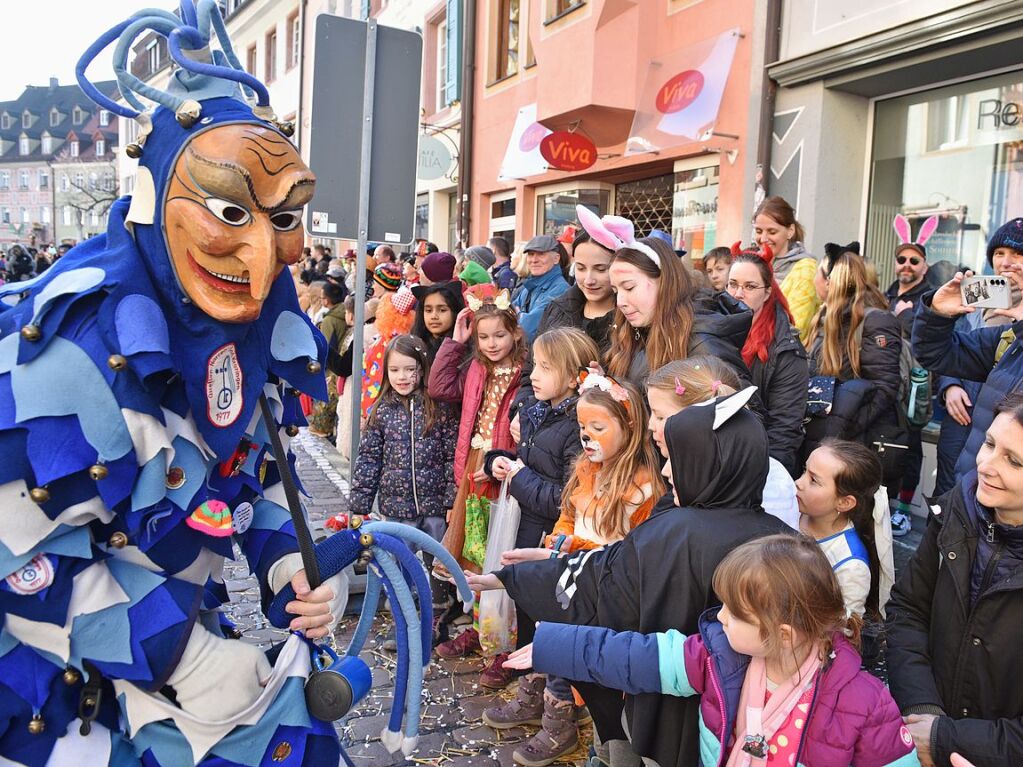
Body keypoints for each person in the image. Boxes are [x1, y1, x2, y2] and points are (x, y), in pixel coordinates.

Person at [468, 390, 793, 767]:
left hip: (670, 721)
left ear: (708, 463)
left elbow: (604, 581)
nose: (667, 472)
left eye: (675, 459)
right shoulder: (784, 541)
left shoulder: (675, 533)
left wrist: (521, 579)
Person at [510, 535, 919, 767]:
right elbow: (637, 656)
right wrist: (556, 645)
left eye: (734, 613)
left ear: (784, 633)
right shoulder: (718, 656)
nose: (718, 619)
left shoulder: (864, 703)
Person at [887, 392, 1023, 767]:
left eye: (1014, 461)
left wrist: (946, 739)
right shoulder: (956, 510)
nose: (986, 465)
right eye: (990, 443)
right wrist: (923, 711)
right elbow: (908, 609)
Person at [428, 285, 526, 687]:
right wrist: (456, 342)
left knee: (497, 549)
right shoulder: (475, 368)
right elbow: (438, 387)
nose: (491, 344)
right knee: (473, 547)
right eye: (483, 337)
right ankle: (480, 627)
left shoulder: (524, 375)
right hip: (472, 465)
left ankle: (501, 642)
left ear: (515, 334)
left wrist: (498, 458)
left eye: (498, 336)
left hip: (499, 469)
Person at [911, 216, 1023, 491]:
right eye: (1000, 253)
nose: (1007, 262)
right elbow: (942, 352)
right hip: (967, 427)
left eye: (1018, 254)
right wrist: (937, 313)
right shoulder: (982, 300)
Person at [581, 208, 751, 389]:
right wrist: (607, 385)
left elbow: (744, 410)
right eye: (616, 290)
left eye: (629, 287)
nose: (620, 301)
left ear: (664, 282)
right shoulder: (633, 330)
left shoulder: (702, 343)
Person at [646, 356, 800, 530]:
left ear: (696, 418)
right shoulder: (688, 467)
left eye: (660, 417)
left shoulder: (769, 483)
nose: (650, 425)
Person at [349, 334, 458, 575]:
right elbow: (368, 460)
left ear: (422, 368)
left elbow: (451, 456)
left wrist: (452, 499)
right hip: (397, 508)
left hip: (435, 505)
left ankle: (439, 605)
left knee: (439, 562)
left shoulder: (437, 408)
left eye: (410, 369)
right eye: (395, 369)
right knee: (399, 564)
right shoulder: (381, 411)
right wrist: (360, 505)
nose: (402, 377)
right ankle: (401, 604)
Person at [802, 245, 903, 462]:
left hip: (854, 449)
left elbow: (885, 388)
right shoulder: (823, 319)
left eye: (817, 274)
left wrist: (841, 428)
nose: (813, 280)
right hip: (823, 440)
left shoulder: (875, 321)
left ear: (829, 280)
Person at [727, 242, 808, 476]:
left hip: (758, 469)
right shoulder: (712, 329)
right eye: (732, 284)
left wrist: (762, 481)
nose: (738, 294)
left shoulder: (785, 350)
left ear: (767, 292)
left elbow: (784, 431)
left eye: (750, 286)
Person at [796, 439, 889, 620]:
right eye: (803, 471)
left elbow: (844, 632)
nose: (799, 482)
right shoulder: (790, 509)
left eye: (813, 480)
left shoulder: (851, 566)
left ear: (845, 502)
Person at [886, 216, 938, 536]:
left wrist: (904, 319)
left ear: (924, 266)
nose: (907, 265)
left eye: (913, 261)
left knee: (912, 448)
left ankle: (904, 510)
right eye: (902, 259)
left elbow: (932, 341)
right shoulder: (886, 295)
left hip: (916, 385)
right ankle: (884, 502)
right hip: (886, 380)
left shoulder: (930, 300)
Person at [535, 206, 618, 355]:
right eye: (581, 268)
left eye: (600, 269)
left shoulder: (631, 319)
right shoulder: (556, 309)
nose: (589, 280)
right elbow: (532, 366)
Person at [753, 196, 819, 342]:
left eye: (772, 232)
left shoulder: (805, 269)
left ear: (790, 231)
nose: (763, 239)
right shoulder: (753, 264)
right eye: (758, 231)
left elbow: (796, 328)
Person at [511, 234, 571, 341]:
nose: (534, 260)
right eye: (531, 254)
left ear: (556, 258)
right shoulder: (528, 287)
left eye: (541, 254)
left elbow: (526, 330)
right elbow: (505, 316)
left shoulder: (561, 290)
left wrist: (517, 313)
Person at [308, 280, 349, 438]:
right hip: (341, 360)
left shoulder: (330, 320)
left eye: (323, 297)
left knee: (327, 403)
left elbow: (325, 345)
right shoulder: (341, 314)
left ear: (328, 299)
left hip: (332, 367)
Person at [410, 280, 465, 362]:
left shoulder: (465, 349)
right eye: (428, 310)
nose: (434, 316)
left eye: (442, 310)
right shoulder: (413, 346)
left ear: (455, 312)